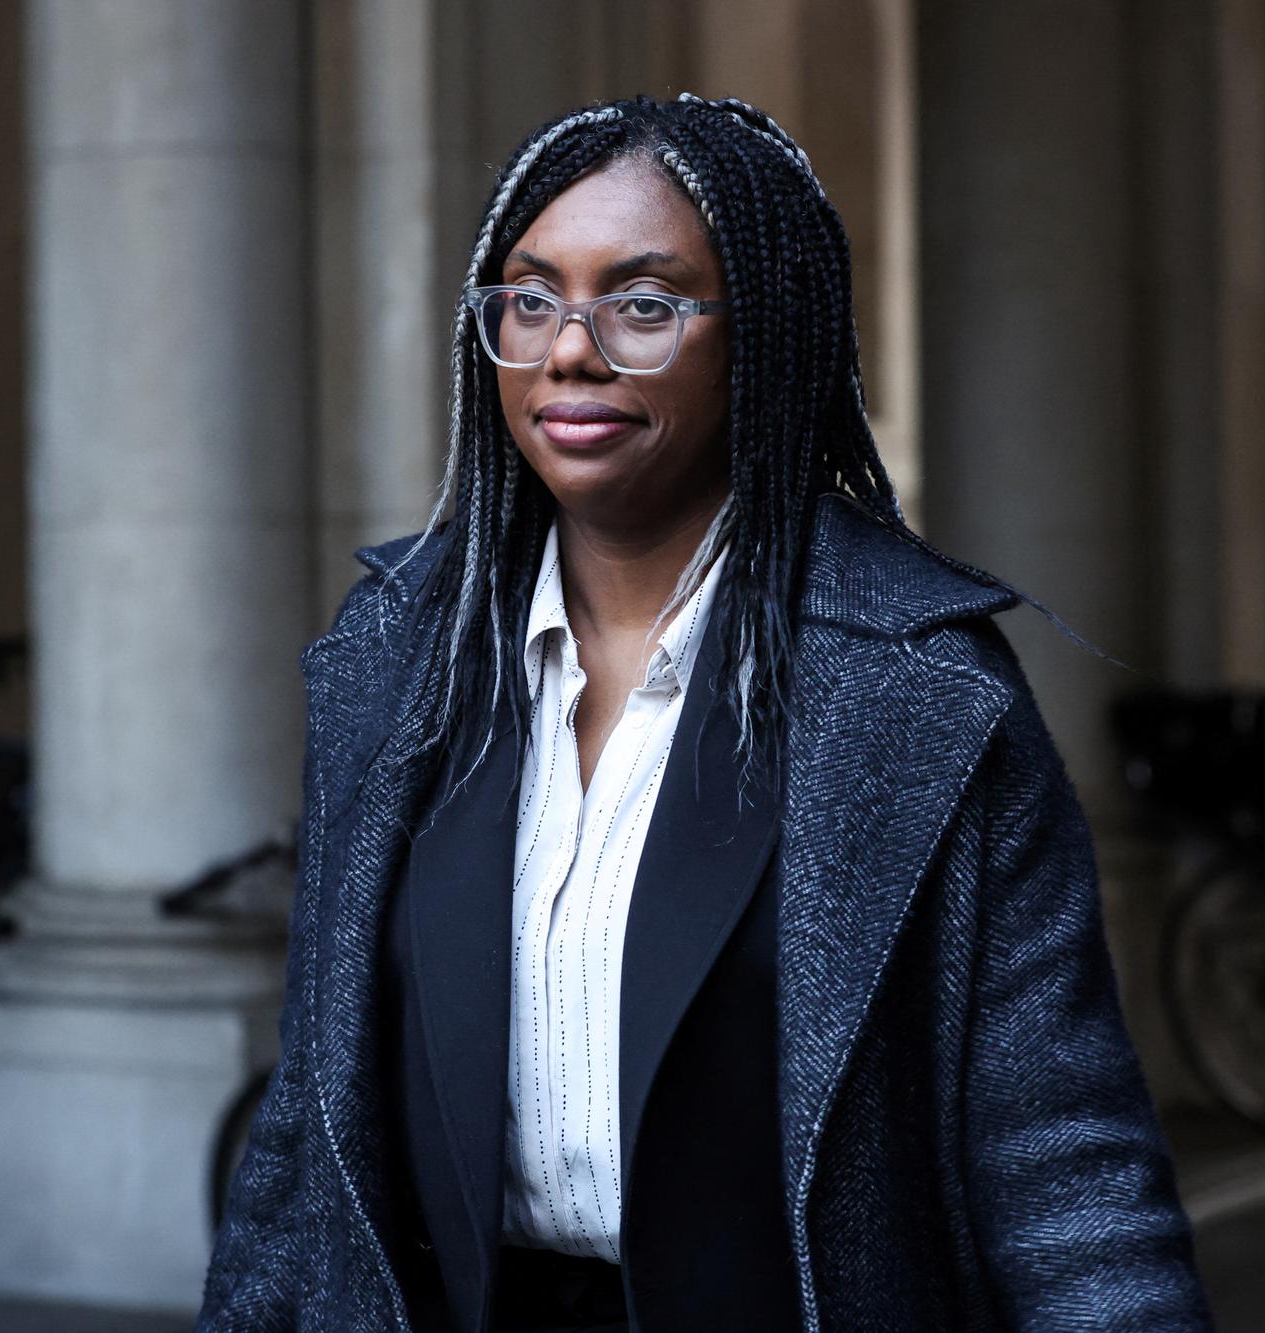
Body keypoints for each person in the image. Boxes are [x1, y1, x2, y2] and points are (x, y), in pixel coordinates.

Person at [200, 95, 1211, 1332]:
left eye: (641, 303)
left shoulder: (914, 694)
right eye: (529, 299)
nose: (569, 350)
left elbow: (1061, 1161)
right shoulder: (392, 659)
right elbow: (309, 1132)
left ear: (764, 341)